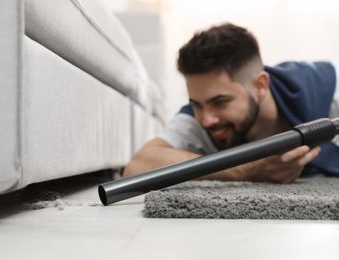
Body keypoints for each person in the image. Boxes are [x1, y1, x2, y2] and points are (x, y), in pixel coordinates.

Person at [123, 22, 339, 183]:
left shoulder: (327, 91)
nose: (206, 120)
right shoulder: (197, 120)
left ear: (260, 86)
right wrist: (247, 170)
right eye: (197, 104)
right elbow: (137, 167)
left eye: (220, 102)